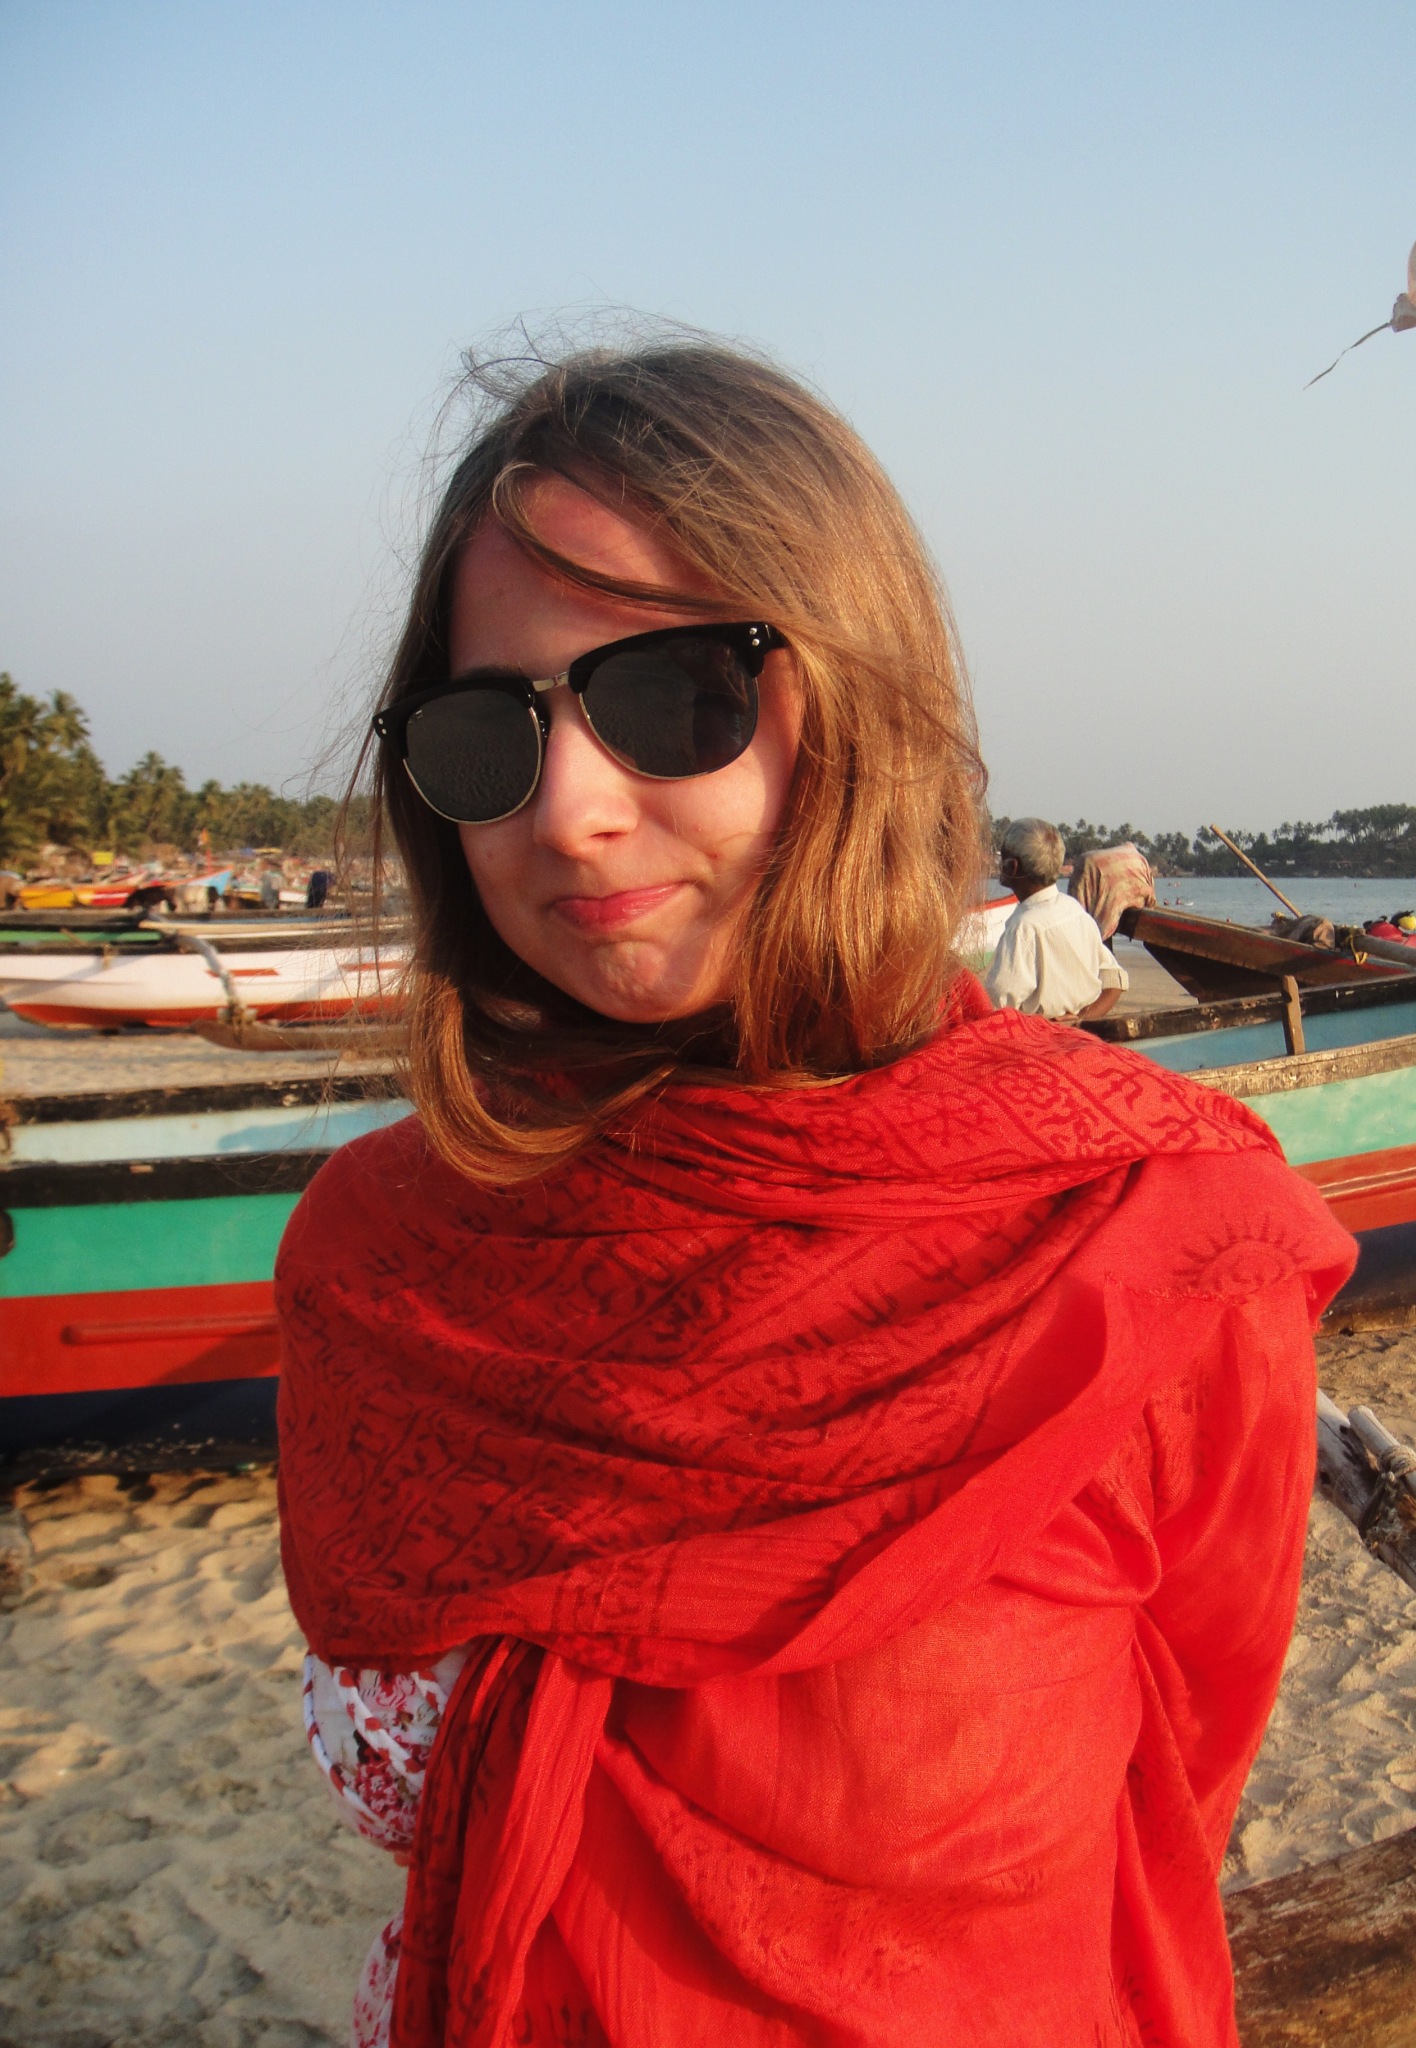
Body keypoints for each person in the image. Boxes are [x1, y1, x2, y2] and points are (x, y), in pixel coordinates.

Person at [276, 338, 1355, 2048]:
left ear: (859, 702)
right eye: (491, 732)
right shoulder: (383, 1257)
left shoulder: (1143, 1235)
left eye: (672, 697)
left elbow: (1182, 1761)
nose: (570, 812)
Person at [986, 818, 1129, 1021]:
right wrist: (1081, 1021)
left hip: (1043, 1037)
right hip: (1084, 1034)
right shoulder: (1074, 910)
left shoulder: (1023, 927)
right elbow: (1115, 982)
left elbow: (997, 1009)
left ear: (1012, 866)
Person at [1071, 839, 1158, 940]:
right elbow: (1151, 899)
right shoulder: (1140, 859)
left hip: (1096, 876)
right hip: (1122, 888)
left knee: (1084, 924)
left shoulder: (1087, 862)